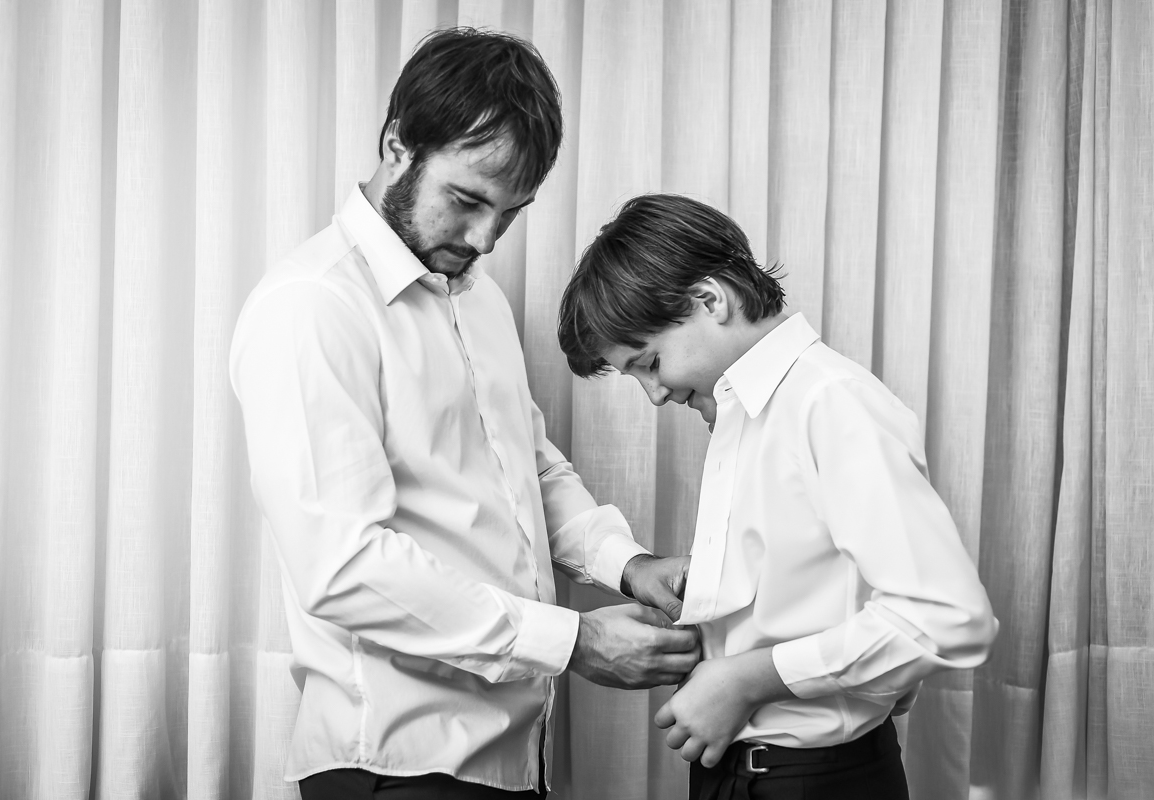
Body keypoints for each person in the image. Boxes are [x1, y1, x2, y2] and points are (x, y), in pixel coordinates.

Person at [229, 29, 698, 800]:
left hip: (510, 761)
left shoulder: (479, 299)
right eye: (469, 200)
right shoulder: (312, 307)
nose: (485, 238)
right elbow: (342, 567)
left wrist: (627, 564)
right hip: (392, 766)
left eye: (510, 214)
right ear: (397, 145)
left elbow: (530, 471)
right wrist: (573, 642)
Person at [557, 194, 999, 800]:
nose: (655, 396)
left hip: (814, 781)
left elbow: (946, 618)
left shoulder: (829, 403)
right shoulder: (741, 414)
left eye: (651, 363)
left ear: (709, 300)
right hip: (738, 774)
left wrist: (747, 680)